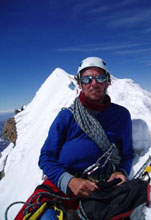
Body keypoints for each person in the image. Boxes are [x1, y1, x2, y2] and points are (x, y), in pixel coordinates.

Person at [38, 57, 134, 219]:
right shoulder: (66, 116)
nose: (94, 83)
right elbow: (46, 157)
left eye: (100, 78)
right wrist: (69, 181)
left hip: (103, 187)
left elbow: (127, 154)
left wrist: (121, 171)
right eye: (87, 79)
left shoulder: (121, 115)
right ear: (80, 84)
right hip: (64, 185)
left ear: (108, 82)